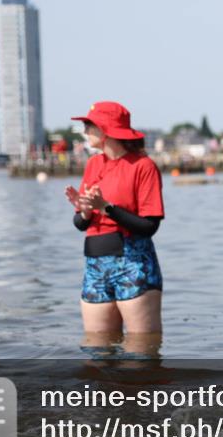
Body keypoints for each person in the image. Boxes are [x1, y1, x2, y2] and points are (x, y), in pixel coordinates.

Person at [65, 102, 165, 358]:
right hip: (95, 266)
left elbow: (149, 226)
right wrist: (85, 211)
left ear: (106, 130)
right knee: (96, 352)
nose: (84, 130)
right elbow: (81, 224)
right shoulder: (93, 165)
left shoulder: (143, 166)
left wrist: (106, 208)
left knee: (140, 354)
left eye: (89, 125)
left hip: (133, 263)